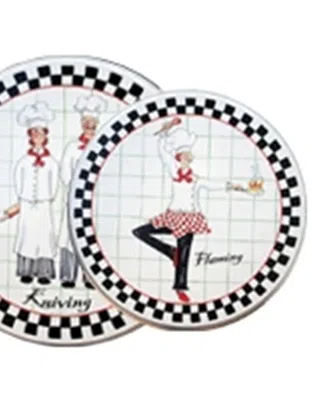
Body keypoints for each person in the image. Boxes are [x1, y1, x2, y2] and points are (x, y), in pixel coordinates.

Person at [132, 117, 243, 303]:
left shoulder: (196, 180)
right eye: (187, 154)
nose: (190, 157)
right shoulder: (173, 171)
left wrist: (234, 186)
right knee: (140, 232)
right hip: (173, 216)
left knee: (184, 254)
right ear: (180, 157)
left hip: (190, 218)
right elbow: (162, 151)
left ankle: (180, 287)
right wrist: (166, 129)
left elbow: (213, 185)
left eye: (189, 155)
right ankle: (170, 251)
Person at [1, 102, 59, 285]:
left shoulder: (52, 163)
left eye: (40, 133)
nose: (37, 136)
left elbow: (54, 185)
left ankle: (44, 272)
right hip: (27, 204)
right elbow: (19, 183)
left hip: (43, 205)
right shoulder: (23, 162)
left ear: (45, 136)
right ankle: (26, 271)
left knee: (43, 237)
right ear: (30, 136)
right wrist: (24, 198)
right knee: (26, 237)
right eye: (34, 133)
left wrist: (45, 198)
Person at [58, 94, 107, 288]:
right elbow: (65, 173)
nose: (89, 125)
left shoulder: (104, 148)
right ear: (81, 123)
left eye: (92, 122)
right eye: (86, 121)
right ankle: (68, 276)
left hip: (96, 202)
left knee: (93, 239)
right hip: (75, 201)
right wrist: (77, 191)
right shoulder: (72, 147)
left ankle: (91, 277)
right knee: (70, 238)